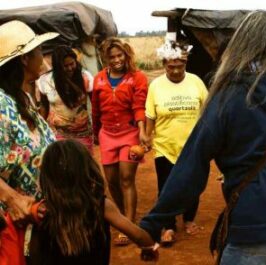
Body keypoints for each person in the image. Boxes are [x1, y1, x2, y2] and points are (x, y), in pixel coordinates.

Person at [140, 11, 266, 265]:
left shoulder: (227, 97)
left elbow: (191, 166)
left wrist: (155, 222)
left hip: (256, 229)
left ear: (242, 43)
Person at [25, 139, 157, 265]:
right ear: (88, 169)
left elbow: (34, 254)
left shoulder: (42, 211)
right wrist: (151, 248)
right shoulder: (100, 205)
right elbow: (139, 236)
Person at [0, 20, 58, 265]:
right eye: (36, 50)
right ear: (23, 58)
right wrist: (12, 198)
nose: (41, 55)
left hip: (35, 223)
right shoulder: (2, 103)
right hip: (11, 228)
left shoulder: (21, 98)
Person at [145, 40, 207, 245]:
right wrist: (146, 135)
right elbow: (150, 115)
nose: (176, 71)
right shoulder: (155, 85)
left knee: (193, 184)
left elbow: (206, 111)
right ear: (164, 65)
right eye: (171, 67)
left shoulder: (196, 82)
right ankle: (168, 226)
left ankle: (189, 219)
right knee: (166, 188)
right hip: (165, 145)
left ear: (186, 63)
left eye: (180, 66)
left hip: (193, 145)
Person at [92, 37, 149, 245]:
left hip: (129, 134)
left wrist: (142, 131)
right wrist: (95, 132)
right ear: (105, 58)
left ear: (126, 55)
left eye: (120, 55)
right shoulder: (98, 79)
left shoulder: (137, 77)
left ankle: (129, 225)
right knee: (112, 180)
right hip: (107, 134)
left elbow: (139, 106)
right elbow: (96, 108)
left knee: (126, 178)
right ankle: (122, 215)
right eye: (112, 56)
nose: (117, 60)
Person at [37, 45, 94, 152]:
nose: (69, 68)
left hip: (83, 133)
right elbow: (44, 107)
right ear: (57, 67)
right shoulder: (46, 81)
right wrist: (40, 128)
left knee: (83, 165)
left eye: (72, 64)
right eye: (65, 66)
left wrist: (98, 127)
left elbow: (95, 104)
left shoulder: (85, 77)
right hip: (57, 133)